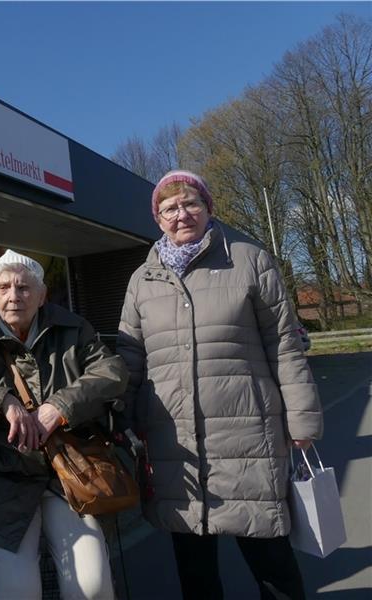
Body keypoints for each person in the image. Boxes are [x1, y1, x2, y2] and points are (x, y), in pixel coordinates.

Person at [116, 169, 323, 600]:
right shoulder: (142, 281)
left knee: (271, 561)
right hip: (176, 449)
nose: (181, 214)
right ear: (158, 219)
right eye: (169, 208)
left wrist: (302, 419)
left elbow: (284, 343)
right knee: (195, 570)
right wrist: (122, 418)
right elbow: (131, 357)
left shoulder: (249, 259)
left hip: (249, 435)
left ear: (209, 208)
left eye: (191, 203)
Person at [0, 250, 128, 600]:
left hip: (68, 474)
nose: (13, 296)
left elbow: (112, 371)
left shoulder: (73, 328)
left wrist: (62, 405)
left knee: (92, 589)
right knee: (19, 592)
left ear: (43, 294)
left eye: (24, 288)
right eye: (3, 288)